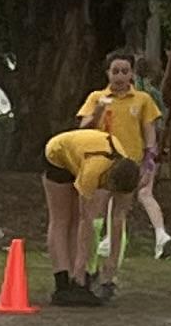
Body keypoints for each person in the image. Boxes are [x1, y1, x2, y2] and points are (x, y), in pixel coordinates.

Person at [76, 51, 169, 265]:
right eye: (115, 71)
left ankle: (111, 268)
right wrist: (99, 111)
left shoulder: (142, 99)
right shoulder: (96, 97)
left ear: (131, 74)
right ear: (108, 73)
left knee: (119, 215)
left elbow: (149, 132)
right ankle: (88, 265)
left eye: (125, 71)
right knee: (95, 214)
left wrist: (149, 162)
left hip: (129, 164)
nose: (119, 77)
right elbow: (83, 129)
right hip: (101, 163)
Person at [36, 124, 132, 304]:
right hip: (59, 155)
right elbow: (86, 220)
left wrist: (110, 270)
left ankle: (77, 277)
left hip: (85, 153)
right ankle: (63, 283)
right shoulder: (93, 171)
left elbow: (118, 218)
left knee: (79, 222)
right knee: (63, 218)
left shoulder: (129, 171)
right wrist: (81, 273)